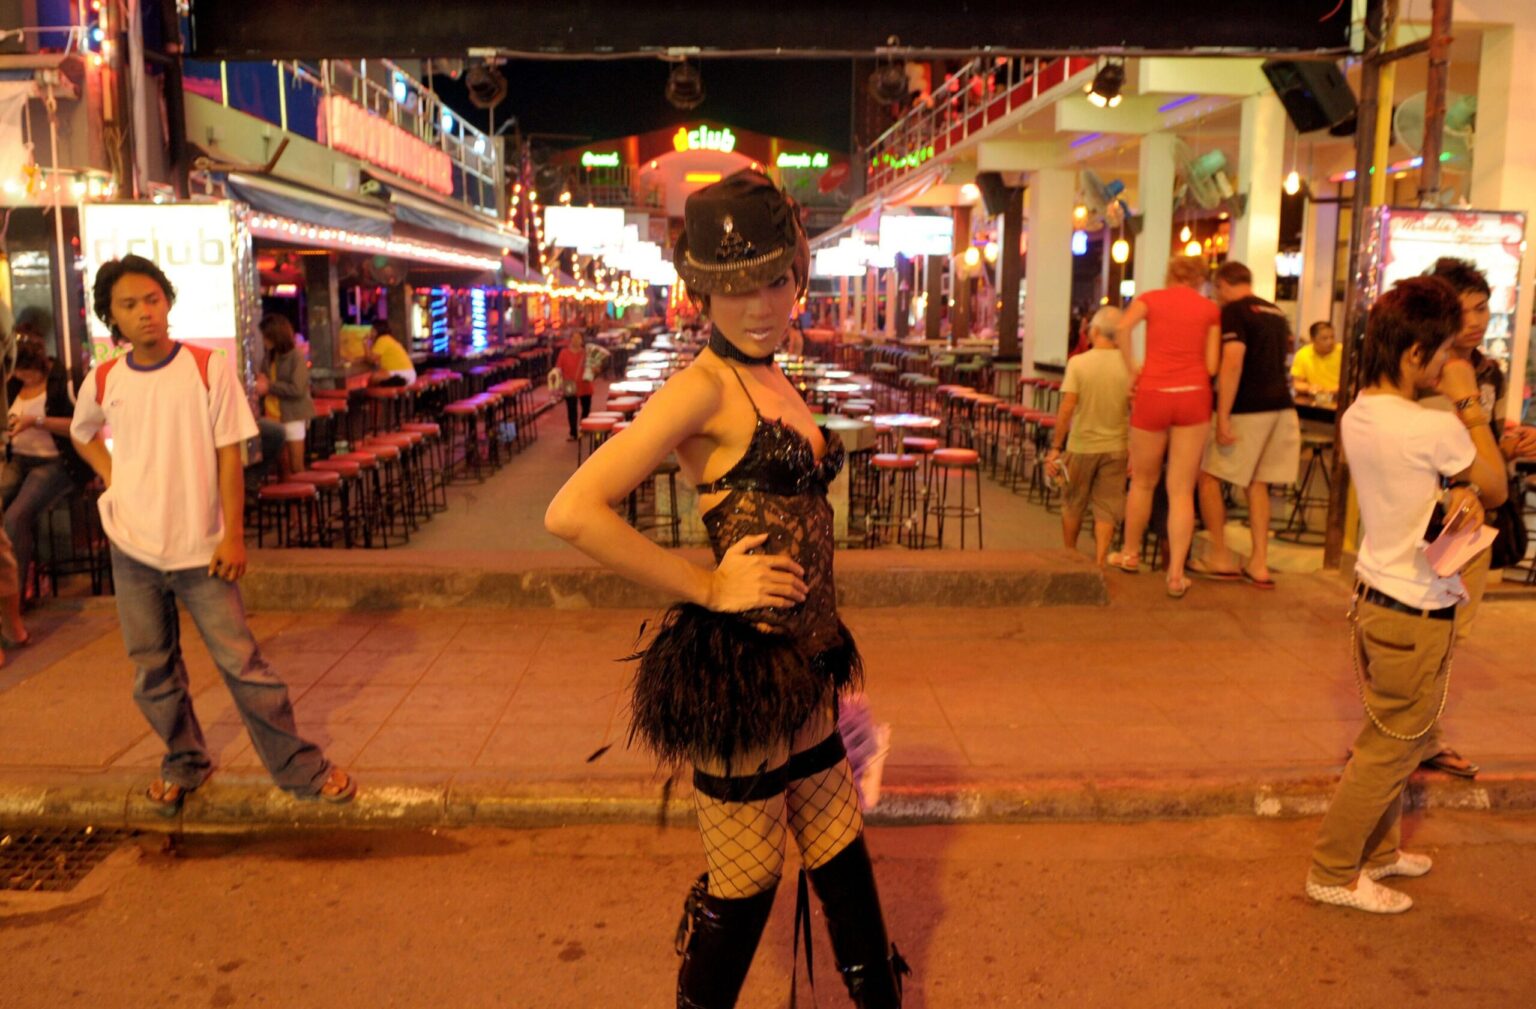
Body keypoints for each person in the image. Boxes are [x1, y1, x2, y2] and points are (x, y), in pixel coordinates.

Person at [546, 171, 908, 1008]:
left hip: (805, 662)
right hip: (744, 674)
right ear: (701, 292)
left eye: (774, 280)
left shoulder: (771, 373)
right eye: (734, 287)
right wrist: (708, 585)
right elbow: (572, 510)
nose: (759, 305)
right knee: (746, 882)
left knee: (840, 852)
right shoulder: (702, 386)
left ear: (798, 273)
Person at [70, 254, 355, 816]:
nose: (145, 312)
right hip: (132, 547)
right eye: (129, 305)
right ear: (112, 317)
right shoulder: (104, 378)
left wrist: (233, 535)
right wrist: (114, 476)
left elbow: (230, 454)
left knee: (244, 666)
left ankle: (298, 767)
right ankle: (185, 763)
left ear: (167, 301)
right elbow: (83, 433)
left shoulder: (205, 367)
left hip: (202, 548)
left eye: (152, 299)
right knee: (152, 669)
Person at [1305, 276, 1507, 914]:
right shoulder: (1430, 427)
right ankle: (1333, 870)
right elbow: (1496, 484)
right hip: (1415, 612)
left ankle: (1379, 852)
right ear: (1415, 353)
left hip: (1378, 600)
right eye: (1443, 351)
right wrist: (1468, 402)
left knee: (1398, 735)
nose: (1450, 361)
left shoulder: (1359, 413)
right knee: (1386, 750)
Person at [1408, 257, 1536, 779]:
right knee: (1416, 629)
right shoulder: (1420, 372)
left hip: (1473, 520)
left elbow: (1487, 449)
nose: (1477, 321)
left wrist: (1513, 446)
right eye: (1466, 311)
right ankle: (1402, 735)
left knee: (1452, 631)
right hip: (1425, 518)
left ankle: (1421, 736)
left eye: (1483, 308)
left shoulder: (1489, 371)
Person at [1110, 255, 1221, 598]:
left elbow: (1122, 328)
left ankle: (1130, 553)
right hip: (1193, 396)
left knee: (1143, 481)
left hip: (1153, 392)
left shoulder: (1150, 300)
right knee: (1181, 490)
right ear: (1200, 279)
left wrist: (1132, 369)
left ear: (1169, 274)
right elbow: (1212, 365)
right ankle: (1175, 575)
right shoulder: (1210, 309)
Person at [1192, 261, 1300, 588]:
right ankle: (1259, 564)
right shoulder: (1275, 312)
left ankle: (1220, 556)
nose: (1216, 296)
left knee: (1208, 477)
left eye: (1216, 289)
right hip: (1282, 407)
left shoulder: (1234, 312)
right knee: (1258, 483)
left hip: (1247, 409)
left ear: (1223, 284)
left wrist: (1223, 415)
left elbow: (1233, 362)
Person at [4, 341, 91, 601]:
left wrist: (36, 422)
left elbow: (81, 425)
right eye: (16, 371)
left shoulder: (63, 381)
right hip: (18, 459)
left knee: (15, 517)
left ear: (38, 364)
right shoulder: (12, 384)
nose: (21, 377)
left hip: (57, 462)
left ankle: (15, 598)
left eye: (25, 371)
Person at [1044, 306, 1129, 567]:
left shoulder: (1079, 363)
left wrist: (1056, 446)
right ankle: (1101, 560)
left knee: (1073, 502)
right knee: (1107, 507)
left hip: (1082, 445)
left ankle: (1071, 554)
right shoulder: (1130, 365)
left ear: (1095, 331)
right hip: (1117, 445)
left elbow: (1068, 407)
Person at [253, 314, 314, 479]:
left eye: (266, 336)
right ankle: (289, 494)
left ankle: (304, 494)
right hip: (272, 414)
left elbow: (297, 389)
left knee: (296, 466)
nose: (264, 340)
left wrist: (269, 386)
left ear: (275, 335)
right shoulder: (269, 357)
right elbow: (264, 382)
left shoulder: (296, 357)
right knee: (282, 467)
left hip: (293, 415)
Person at [553, 331, 609, 442]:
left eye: (578, 338)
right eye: (574, 338)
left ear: (582, 340)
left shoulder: (587, 353)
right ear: (570, 339)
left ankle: (583, 428)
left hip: (585, 385)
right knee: (571, 410)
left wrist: (595, 370)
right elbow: (558, 368)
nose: (576, 340)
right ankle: (573, 432)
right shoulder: (564, 353)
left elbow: (596, 368)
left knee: (586, 408)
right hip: (570, 386)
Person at [1291, 321, 1342, 394]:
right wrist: (1309, 387)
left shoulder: (1343, 352)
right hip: (1314, 396)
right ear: (1312, 340)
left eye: (1332, 337)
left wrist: (1329, 391)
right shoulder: (1303, 354)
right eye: (1325, 338)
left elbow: (1351, 384)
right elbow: (1297, 383)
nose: (1330, 342)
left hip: (1339, 396)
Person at [365, 318, 416, 386]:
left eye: (372, 331)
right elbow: (375, 359)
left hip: (402, 375)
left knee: (374, 378)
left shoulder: (382, 340)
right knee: (377, 376)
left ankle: (377, 393)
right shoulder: (388, 339)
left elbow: (371, 360)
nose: (370, 333)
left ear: (377, 331)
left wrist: (365, 344)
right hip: (409, 374)